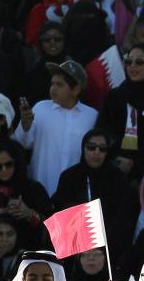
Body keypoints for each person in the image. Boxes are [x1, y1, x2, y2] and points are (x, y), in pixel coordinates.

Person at [13, 59, 98, 195]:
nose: (53, 88)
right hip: (41, 191)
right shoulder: (40, 108)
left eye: (59, 84)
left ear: (76, 89)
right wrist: (25, 126)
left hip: (75, 195)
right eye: (52, 83)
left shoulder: (92, 116)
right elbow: (21, 144)